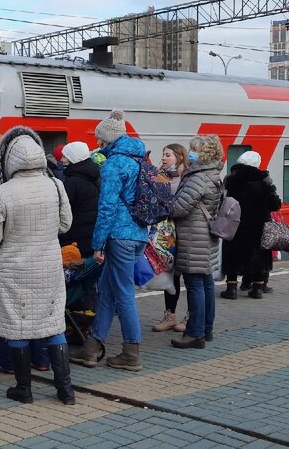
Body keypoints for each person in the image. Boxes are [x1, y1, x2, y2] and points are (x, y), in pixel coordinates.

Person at [0, 126, 75, 405]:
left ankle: (24, 389)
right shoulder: (56, 185)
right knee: (54, 323)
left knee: (17, 325)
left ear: (9, 159)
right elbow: (65, 224)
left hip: (14, 268)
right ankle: (66, 390)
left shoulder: (2, 191)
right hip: (48, 264)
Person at [72, 109, 149, 371]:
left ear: (107, 139)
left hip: (120, 235)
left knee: (124, 295)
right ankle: (90, 349)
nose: (97, 145)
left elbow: (106, 208)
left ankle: (132, 352)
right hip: (138, 234)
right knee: (107, 291)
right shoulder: (140, 158)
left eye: (99, 140)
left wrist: (97, 245)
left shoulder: (114, 163)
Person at [165, 134, 225, 349]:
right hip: (205, 235)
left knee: (194, 284)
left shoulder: (198, 177)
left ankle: (195, 333)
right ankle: (206, 329)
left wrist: (165, 202)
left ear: (203, 152)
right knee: (206, 282)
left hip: (193, 235)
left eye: (194, 149)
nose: (190, 152)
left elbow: (179, 208)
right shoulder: (213, 174)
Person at [220, 151, 282, 300]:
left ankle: (231, 289)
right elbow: (274, 204)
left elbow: (222, 200)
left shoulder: (231, 179)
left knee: (232, 254)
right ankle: (257, 290)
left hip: (235, 223)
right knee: (258, 256)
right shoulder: (263, 179)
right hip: (258, 224)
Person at [152, 144, 189, 333]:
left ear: (180, 157)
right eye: (163, 154)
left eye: (168, 155)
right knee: (171, 275)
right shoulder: (160, 176)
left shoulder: (186, 178)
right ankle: (170, 315)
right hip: (168, 235)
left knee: (190, 277)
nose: (164, 158)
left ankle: (191, 316)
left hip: (185, 233)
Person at [58, 141, 100, 258]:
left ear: (73, 158)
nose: (61, 160)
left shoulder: (72, 181)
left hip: (74, 239)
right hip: (90, 235)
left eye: (65, 156)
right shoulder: (94, 177)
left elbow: (64, 210)